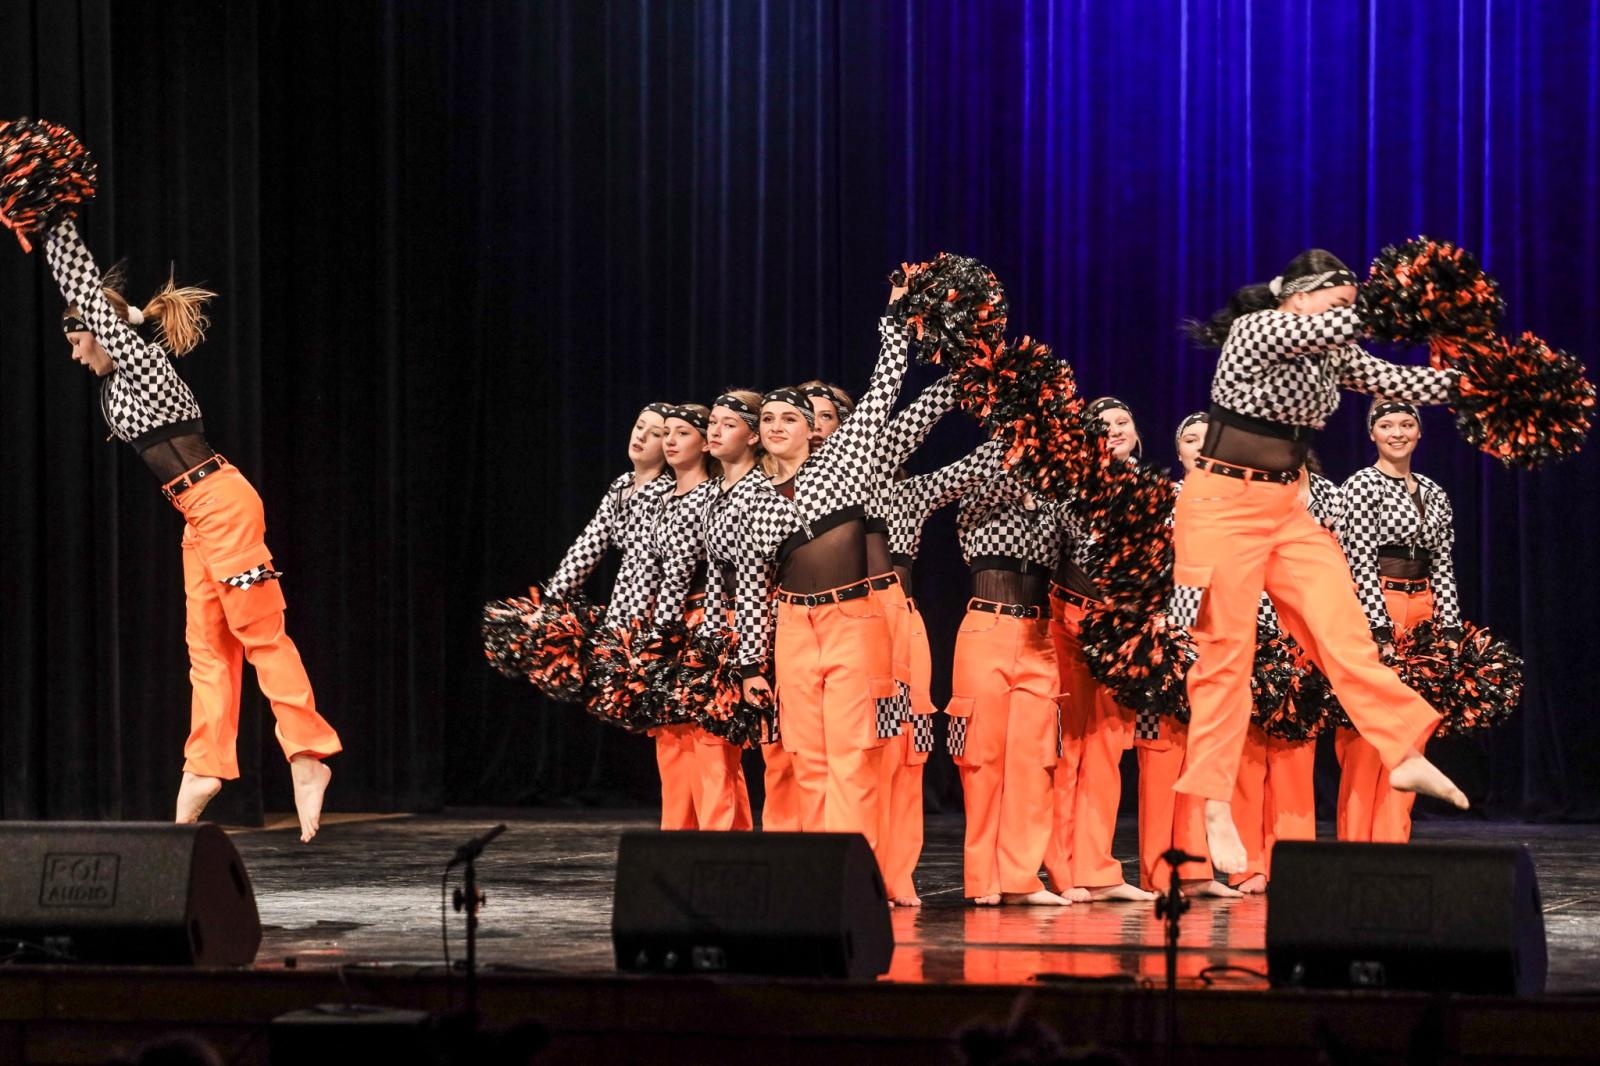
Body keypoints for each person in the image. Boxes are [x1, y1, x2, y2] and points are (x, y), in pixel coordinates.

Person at [45, 218, 341, 841]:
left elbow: (86, 291)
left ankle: (308, 754)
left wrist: (51, 226)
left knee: (259, 634)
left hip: (224, 503)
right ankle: (205, 765)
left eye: (79, 339)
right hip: (196, 517)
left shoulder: (141, 360)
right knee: (206, 647)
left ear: (103, 333)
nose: (74, 353)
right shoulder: (120, 382)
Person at [1173, 249, 1467, 873]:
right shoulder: (1261, 329)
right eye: (1339, 299)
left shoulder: (1333, 349)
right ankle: (1213, 801)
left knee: (1345, 633)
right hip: (1221, 503)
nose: (1347, 310)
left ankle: (1401, 750)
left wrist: (1479, 384)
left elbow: (1402, 382)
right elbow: (1341, 327)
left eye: (1350, 302)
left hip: (1287, 508)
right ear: (1299, 298)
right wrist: (1402, 305)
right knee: (1226, 657)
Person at [739, 288, 912, 844]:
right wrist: (750, 665)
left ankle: (849, 874)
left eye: (789, 417)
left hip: (852, 621)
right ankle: (814, 874)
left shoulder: (843, 458)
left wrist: (896, 315)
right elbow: (750, 586)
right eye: (767, 418)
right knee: (806, 756)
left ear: (810, 428)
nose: (776, 426)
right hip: (792, 627)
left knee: (851, 753)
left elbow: (886, 383)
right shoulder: (749, 494)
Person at [1044, 398, 1158, 902]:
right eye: (1103, 424)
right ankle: (1060, 869)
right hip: (1068, 619)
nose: (1113, 430)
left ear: (1136, 432)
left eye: (1122, 422)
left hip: (1124, 629)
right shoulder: (1068, 483)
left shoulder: (1154, 490)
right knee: (1068, 746)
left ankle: (1098, 869)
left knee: (1108, 750)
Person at [1335, 400, 1461, 844]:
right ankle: (1355, 847)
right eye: (1386, 425)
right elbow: (1359, 560)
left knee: (1410, 730)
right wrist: (1379, 628)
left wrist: (1449, 629)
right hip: (1377, 604)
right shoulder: (1360, 486)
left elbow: (1443, 563)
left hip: (1422, 607)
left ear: (1420, 433)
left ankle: (1392, 842)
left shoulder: (1433, 491)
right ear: (1372, 434)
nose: (1397, 432)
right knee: (1366, 733)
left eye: (1407, 424)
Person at [951, 464, 1070, 906]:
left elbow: (1087, 536)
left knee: (1034, 761)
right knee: (982, 759)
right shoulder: (981, 496)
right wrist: (1018, 457)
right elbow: (984, 489)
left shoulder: (1058, 504)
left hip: (1040, 637)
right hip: (986, 630)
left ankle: (1021, 879)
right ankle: (982, 878)